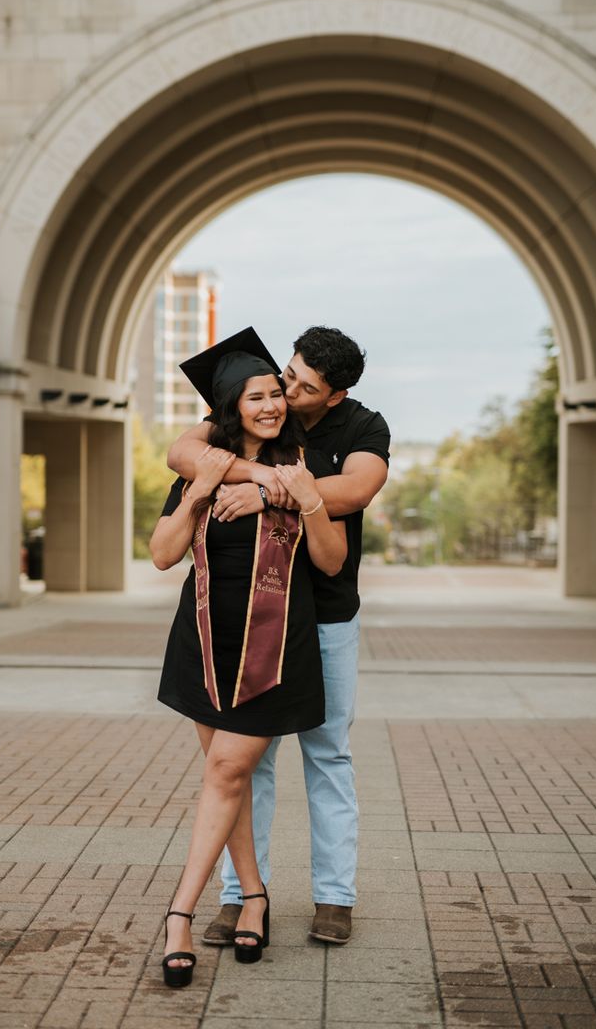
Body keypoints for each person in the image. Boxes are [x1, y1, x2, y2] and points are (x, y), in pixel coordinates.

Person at [167, 326, 390, 946]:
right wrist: (255, 475)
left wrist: (265, 495)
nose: (286, 391)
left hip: (324, 614)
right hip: (254, 618)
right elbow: (183, 452)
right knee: (244, 765)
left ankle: (334, 899)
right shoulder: (262, 407)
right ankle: (240, 896)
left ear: (336, 395)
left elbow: (353, 490)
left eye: (304, 386)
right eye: (286, 374)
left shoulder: (364, 430)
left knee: (327, 754)